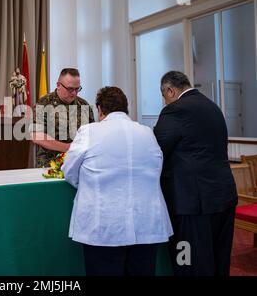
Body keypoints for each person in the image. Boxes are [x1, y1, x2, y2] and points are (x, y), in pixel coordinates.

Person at [61, 87, 173, 276]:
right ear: (126, 108)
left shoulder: (89, 131)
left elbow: (69, 171)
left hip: (104, 226)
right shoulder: (147, 132)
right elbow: (156, 169)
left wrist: (90, 184)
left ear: (100, 109)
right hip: (146, 224)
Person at [154, 71, 237, 276]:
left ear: (170, 90)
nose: (165, 102)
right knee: (219, 259)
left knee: (188, 263)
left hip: (192, 203)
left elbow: (156, 150)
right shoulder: (212, 107)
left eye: (164, 96)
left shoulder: (175, 110)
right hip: (223, 197)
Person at [31, 68, 94, 167]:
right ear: (58, 85)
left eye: (77, 89)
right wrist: (68, 148)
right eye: (70, 89)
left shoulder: (83, 105)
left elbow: (92, 135)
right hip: (50, 165)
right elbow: (37, 136)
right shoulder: (43, 104)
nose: (74, 93)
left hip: (78, 165)